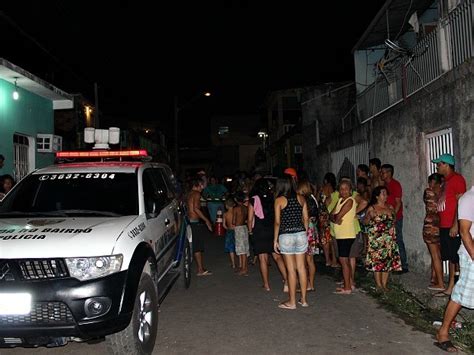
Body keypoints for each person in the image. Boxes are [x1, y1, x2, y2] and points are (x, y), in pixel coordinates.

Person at [435, 177, 474, 352]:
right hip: (470, 253)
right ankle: (443, 332)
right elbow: (464, 233)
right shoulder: (468, 199)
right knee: (461, 294)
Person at [433, 154, 466, 298]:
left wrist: (455, 224)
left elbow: (461, 202)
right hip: (444, 225)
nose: (437, 166)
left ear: (446, 165)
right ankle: (451, 286)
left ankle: (455, 287)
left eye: (439, 164)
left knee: (455, 257)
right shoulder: (445, 181)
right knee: (451, 257)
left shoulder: (457, 179)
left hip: (452, 225)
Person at [274, 176, 309, 309]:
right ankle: (304, 300)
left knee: (291, 270)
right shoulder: (301, 198)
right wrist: (303, 233)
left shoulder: (279, 200)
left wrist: (275, 240)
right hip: (300, 233)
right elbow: (306, 218)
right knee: (301, 268)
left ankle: (292, 302)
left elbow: (277, 222)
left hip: (286, 235)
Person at [247, 178, 288, 291]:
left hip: (259, 230)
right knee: (277, 256)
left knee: (263, 258)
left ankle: (266, 284)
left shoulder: (253, 199)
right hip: (272, 229)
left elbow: (250, 219)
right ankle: (287, 279)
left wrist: (250, 231)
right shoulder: (273, 198)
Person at [364, 186, 402, 291]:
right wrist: (368, 217)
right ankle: (379, 285)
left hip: (388, 239)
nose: (385, 196)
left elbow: (393, 222)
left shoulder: (390, 208)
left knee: (387, 262)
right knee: (377, 262)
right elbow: (365, 223)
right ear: (377, 196)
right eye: (383, 194)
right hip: (377, 240)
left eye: (386, 194)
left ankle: (384, 285)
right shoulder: (372, 208)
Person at [331, 180, 357, 294]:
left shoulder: (350, 201)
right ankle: (348, 284)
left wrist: (336, 218)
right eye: (341, 189)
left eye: (346, 188)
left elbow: (338, 216)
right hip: (340, 234)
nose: (344, 191)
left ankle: (347, 287)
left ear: (350, 190)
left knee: (343, 260)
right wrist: (335, 218)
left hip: (346, 234)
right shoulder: (340, 200)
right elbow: (331, 215)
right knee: (343, 260)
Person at [381, 164, 408, 273]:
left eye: (383, 172)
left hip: (395, 217)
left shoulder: (395, 185)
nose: (381, 174)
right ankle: (394, 264)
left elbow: (398, 202)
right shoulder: (385, 185)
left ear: (388, 173)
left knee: (398, 240)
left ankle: (403, 265)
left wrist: (394, 216)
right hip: (387, 216)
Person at [186, 178, 213, 276]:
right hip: (194, 222)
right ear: (199, 184)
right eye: (203, 185)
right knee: (197, 246)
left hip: (190, 221)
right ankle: (200, 270)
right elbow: (196, 208)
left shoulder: (189, 193)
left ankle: (200, 268)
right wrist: (207, 221)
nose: (204, 188)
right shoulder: (197, 194)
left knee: (196, 245)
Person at [423, 173, 444, 291]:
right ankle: (435, 279)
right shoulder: (441, 192)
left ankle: (438, 282)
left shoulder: (430, 192)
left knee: (435, 255)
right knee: (437, 255)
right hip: (438, 225)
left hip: (431, 225)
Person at [297, 179, 318, 292]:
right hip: (313, 229)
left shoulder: (304, 200)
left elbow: (304, 217)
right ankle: (311, 283)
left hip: (307, 230)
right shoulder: (313, 198)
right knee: (310, 259)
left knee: (305, 260)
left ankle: (307, 284)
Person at [233, 191, 250, 276]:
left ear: (236, 199)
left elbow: (234, 221)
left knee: (241, 250)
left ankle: (243, 269)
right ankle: (244, 267)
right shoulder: (245, 208)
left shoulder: (236, 208)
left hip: (239, 228)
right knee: (245, 249)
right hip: (244, 227)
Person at [223, 197, 237, 269]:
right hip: (236, 230)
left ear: (226, 206)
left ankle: (233, 264)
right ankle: (241, 263)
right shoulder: (236, 212)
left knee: (231, 248)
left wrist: (228, 228)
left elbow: (224, 225)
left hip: (229, 231)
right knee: (238, 247)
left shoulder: (225, 214)